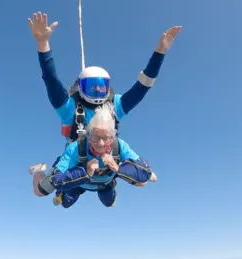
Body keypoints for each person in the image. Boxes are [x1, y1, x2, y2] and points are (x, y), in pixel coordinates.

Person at [26, 11, 180, 197]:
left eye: (102, 87)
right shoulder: (70, 108)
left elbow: (144, 85)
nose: (97, 92)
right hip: (78, 162)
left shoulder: (114, 105)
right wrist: (43, 44)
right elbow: (51, 81)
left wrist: (160, 52)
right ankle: (38, 170)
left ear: (109, 88)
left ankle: (109, 182)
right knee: (41, 191)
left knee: (142, 182)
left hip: (106, 161)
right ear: (81, 88)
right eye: (91, 88)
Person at [31, 103, 157, 208]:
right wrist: (84, 172)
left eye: (106, 138)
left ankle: (111, 187)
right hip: (78, 183)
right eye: (95, 137)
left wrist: (118, 168)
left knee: (113, 200)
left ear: (113, 137)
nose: (101, 144)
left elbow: (144, 172)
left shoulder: (119, 146)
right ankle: (38, 169)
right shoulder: (76, 147)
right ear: (88, 135)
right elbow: (56, 179)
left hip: (104, 184)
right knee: (43, 193)